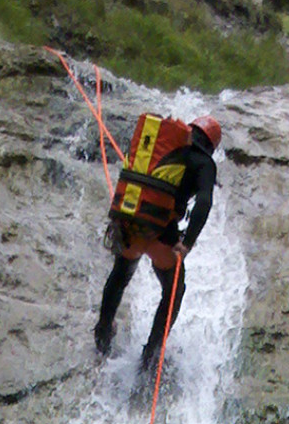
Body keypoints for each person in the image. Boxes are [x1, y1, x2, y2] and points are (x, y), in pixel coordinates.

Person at [93, 115, 221, 371]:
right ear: (212, 145)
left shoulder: (164, 148)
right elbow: (204, 203)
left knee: (121, 273)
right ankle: (150, 356)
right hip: (162, 235)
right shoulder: (204, 163)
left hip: (129, 226)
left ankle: (103, 333)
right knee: (174, 289)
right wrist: (187, 242)